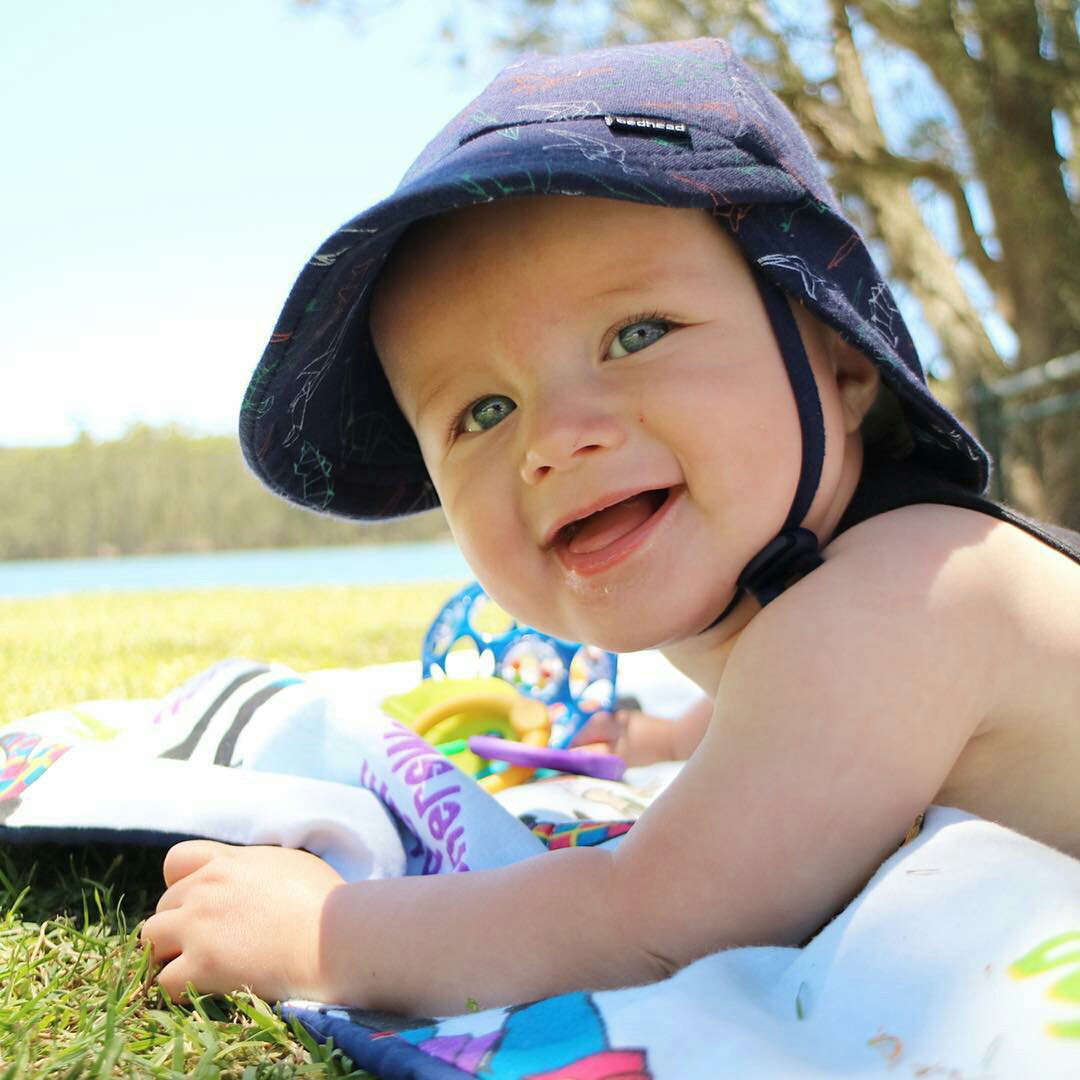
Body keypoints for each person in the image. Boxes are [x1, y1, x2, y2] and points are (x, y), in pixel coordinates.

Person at [140, 38, 1080, 1016]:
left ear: (840, 363)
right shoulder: (830, 602)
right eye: (482, 412)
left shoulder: (907, 599)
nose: (551, 439)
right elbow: (795, 720)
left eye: (636, 336)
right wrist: (675, 735)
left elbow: (653, 918)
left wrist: (322, 935)